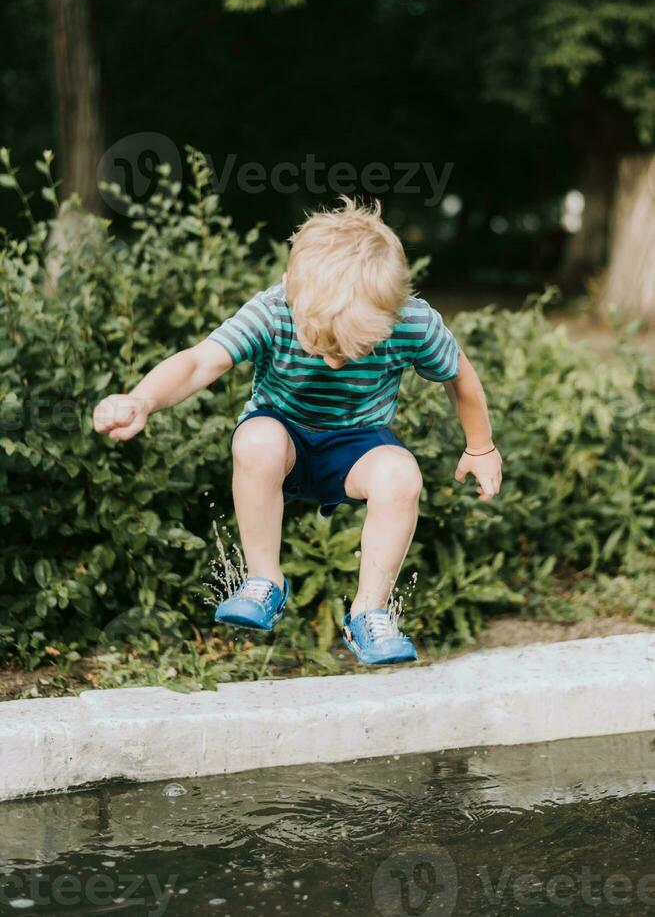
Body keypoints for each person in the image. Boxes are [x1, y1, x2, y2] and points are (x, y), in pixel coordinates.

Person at [93, 198, 502, 666]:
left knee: (402, 477)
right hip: (282, 436)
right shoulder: (273, 310)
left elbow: (459, 375)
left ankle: (369, 613)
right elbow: (200, 361)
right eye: (321, 343)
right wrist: (141, 399)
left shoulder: (413, 323)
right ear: (290, 291)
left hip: (356, 444)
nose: (333, 361)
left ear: (391, 316)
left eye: (352, 350)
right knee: (257, 440)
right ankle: (264, 581)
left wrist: (481, 446)